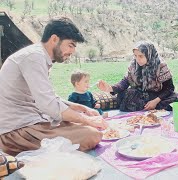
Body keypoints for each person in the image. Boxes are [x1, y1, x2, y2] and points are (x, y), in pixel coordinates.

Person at [0, 17, 108, 156]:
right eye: (70, 45)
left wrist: (82, 108)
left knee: (87, 126)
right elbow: (49, 105)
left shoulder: (38, 57)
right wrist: (87, 119)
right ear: (55, 39)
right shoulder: (33, 57)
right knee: (92, 134)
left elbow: (50, 98)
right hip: (16, 132)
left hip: (33, 123)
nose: (72, 51)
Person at [97, 41, 178, 112]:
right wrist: (109, 88)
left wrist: (155, 101)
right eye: (135, 56)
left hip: (158, 96)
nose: (137, 59)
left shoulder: (160, 66)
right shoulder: (133, 65)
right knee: (126, 94)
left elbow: (169, 88)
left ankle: (152, 106)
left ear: (149, 55)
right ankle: (152, 107)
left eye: (141, 56)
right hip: (140, 95)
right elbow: (125, 83)